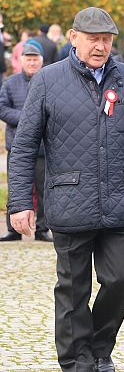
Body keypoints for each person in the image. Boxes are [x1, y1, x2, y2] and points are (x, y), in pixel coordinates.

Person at [7, 7, 124, 372]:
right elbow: (25, 145)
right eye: (93, 39)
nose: (101, 46)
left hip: (122, 199)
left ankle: (99, 347)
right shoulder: (47, 80)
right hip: (69, 200)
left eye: (107, 40)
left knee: (122, 279)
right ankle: (77, 361)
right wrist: (19, 203)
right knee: (73, 290)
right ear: (74, 38)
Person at [0, 44, 52, 242]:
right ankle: (13, 230)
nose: (32, 62)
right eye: (28, 59)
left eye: (35, 59)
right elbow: (2, 107)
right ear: (21, 60)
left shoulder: (49, 82)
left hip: (43, 148)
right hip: (17, 146)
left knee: (44, 188)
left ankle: (42, 229)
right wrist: (26, 118)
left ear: (41, 61)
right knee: (16, 188)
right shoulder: (10, 83)